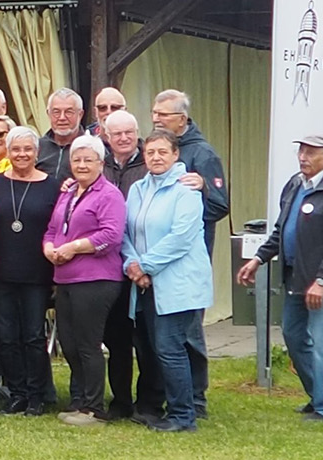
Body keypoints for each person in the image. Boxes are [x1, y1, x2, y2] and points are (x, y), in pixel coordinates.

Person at [239, 134, 323, 423]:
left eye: (311, 152)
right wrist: (257, 259)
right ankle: (317, 396)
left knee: (322, 342)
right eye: (301, 151)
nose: (303, 157)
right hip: (294, 278)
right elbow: (281, 230)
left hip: (321, 285)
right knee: (293, 335)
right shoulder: (295, 184)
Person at [122, 129, 213, 432]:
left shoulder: (186, 190)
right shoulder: (136, 189)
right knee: (154, 349)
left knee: (171, 348)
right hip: (145, 284)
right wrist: (132, 265)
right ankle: (165, 407)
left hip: (177, 283)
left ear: (176, 155)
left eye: (163, 152)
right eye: (150, 152)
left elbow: (182, 237)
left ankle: (183, 416)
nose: (156, 157)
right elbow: (126, 233)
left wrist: (145, 265)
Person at [44, 135, 127, 426]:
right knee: (68, 343)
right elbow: (53, 229)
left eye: (88, 160)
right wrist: (49, 248)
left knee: (88, 344)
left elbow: (111, 235)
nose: (81, 164)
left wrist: (74, 247)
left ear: (100, 164)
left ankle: (94, 408)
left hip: (96, 279)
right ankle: (80, 400)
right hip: (65, 277)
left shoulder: (109, 195)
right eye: (76, 159)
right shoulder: (68, 193)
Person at [0, 124, 58, 415]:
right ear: (8, 151)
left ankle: (36, 394)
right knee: (7, 336)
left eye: (28, 149)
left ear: (37, 152)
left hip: (37, 275)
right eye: (16, 148)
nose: (21, 154)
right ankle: (16, 393)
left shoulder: (53, 185)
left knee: (33, 336)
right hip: (1, 272)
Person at [97, 108, 152, 420]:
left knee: (146, 340)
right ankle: (120, 402)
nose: (123, 138)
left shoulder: (150, 163)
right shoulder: (97, 163)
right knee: (116, 340)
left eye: (129, 132)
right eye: (116, 133)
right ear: (106, 135)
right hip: (108, 265)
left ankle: (148, 402)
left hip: (143, 263)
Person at [152, 89, 229, 258]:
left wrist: (204, 189)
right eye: (155, 113)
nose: (156, 119)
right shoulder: (155, 150)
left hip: (191, 255)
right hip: (156, 251)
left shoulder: (203, 154)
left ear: (182, 119)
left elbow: (219, 206)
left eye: (163, 114)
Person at [37, 88, 84, 182]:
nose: (62, 118)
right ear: (48, 114)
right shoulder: (37, 147)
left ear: (80, 114)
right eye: (56, 112)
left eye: (69, 112)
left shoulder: (90, 148)